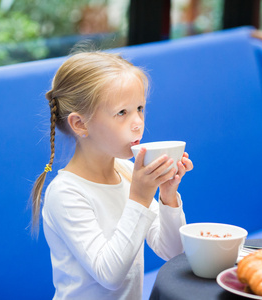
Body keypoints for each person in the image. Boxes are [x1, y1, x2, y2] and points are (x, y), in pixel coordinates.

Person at [30, 50, 193, 300]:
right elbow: (109, 275)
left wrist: (167, 195)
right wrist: (138, 197)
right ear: (80, 124)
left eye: (140, 108)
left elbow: (174, 252)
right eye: (122, 113)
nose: (138, 122)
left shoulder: (127, 172)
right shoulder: (66, 193)